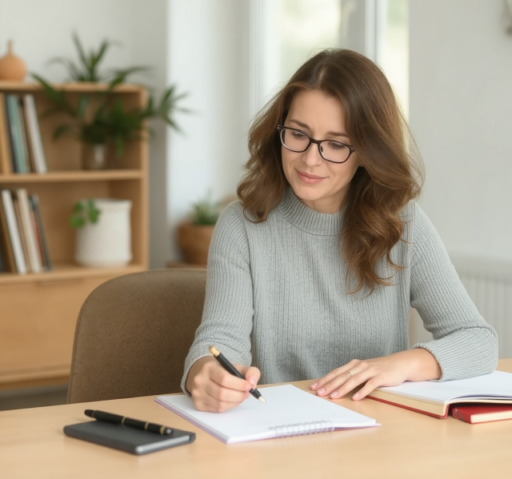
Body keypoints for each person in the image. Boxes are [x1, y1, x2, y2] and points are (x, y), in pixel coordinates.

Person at [181, 49, 498, 413]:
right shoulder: (242, 224)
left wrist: (399, 364)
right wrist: (204, 375)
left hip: (382, 438)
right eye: (298, 134)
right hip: (280, 434)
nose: (310, 159)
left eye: (335, 144)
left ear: (366, 151)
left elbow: (477, 340)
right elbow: (219, 342)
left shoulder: (402, 223)